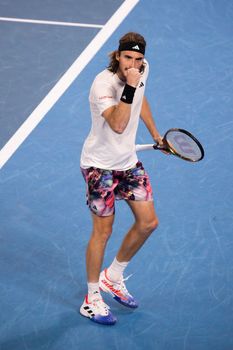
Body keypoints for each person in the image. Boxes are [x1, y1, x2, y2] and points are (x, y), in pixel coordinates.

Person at [79, 32, 164, 325]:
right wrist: (128, 85)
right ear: (117, 56)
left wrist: (155, 134)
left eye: (139, 59)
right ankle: (91, 298)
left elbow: (140, 98)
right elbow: (117, 123)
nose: (134, 64)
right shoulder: (102, 84)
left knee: (148, 223)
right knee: (103, 232)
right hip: (99, 167)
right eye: (128, 58)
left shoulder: (141, 71)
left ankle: (112, 276)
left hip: (127, 162)